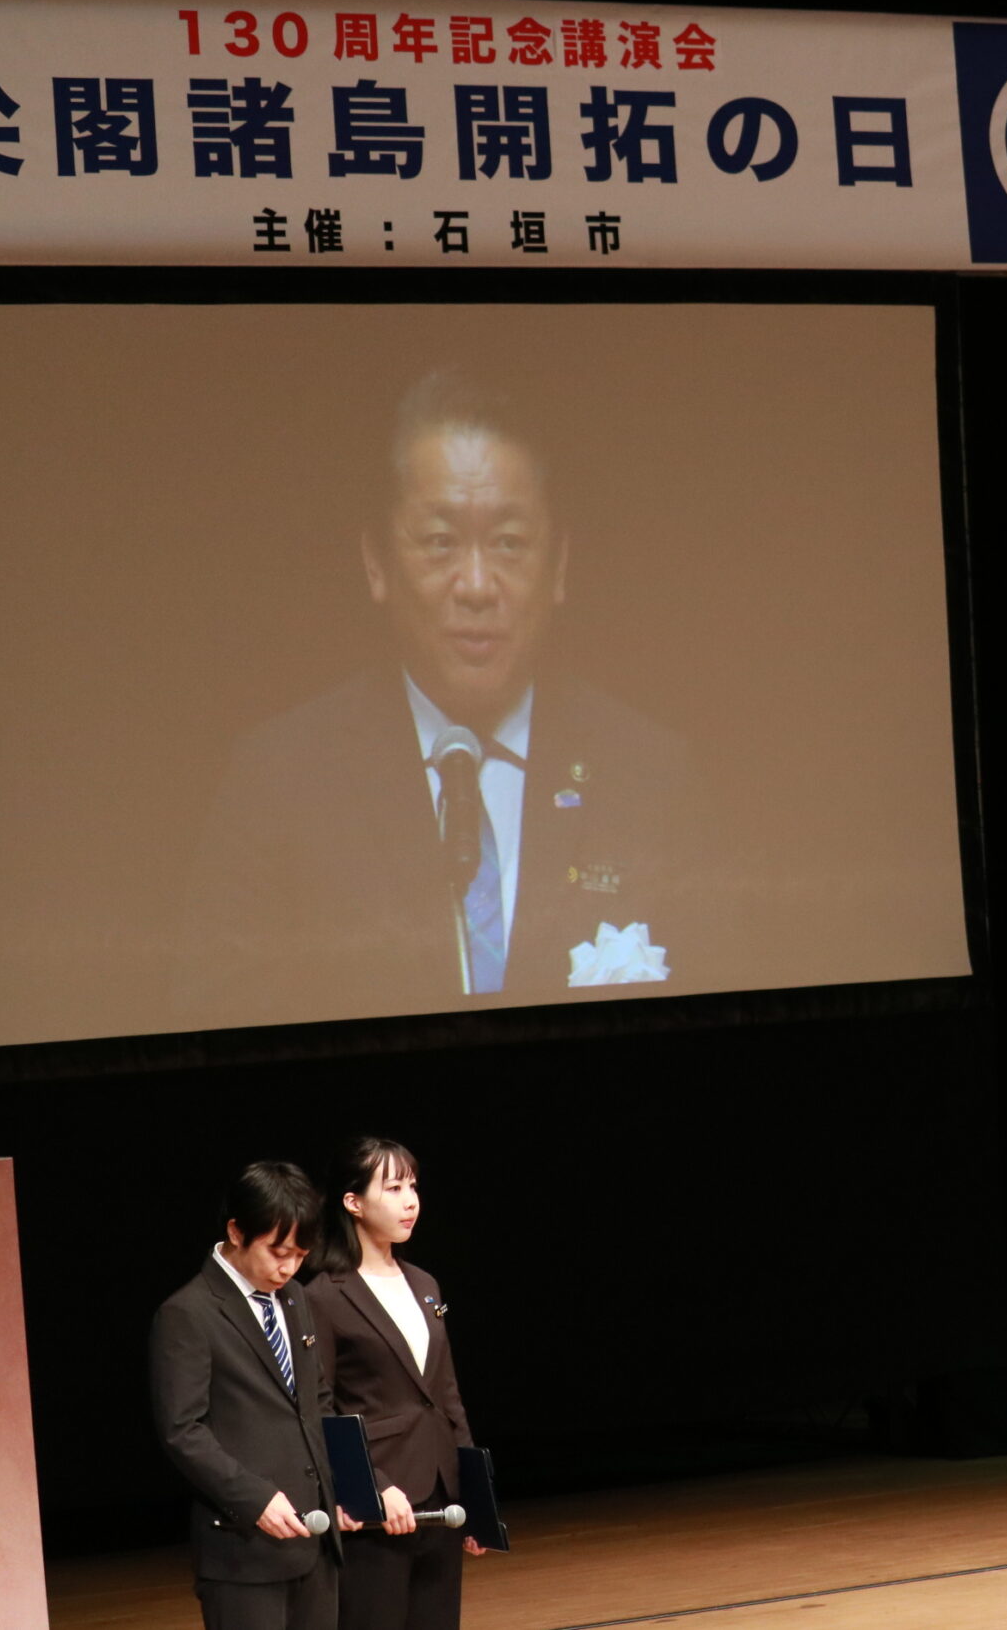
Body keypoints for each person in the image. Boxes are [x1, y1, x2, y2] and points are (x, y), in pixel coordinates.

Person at [172, 370, 696, 1030]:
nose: (476, 585)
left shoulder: (648, 774)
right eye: (441, 542)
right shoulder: (278, 779)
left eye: (509, 543)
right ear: (378, 564)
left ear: (558, 567)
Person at [150, 1160, 357, 1630]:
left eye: (300, 1256)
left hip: (316, 1545)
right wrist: (256, 1499)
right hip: (244, 1555)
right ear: (237, 1232)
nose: (288, 1268)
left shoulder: (294, 1298)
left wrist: (350, 1486)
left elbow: (318, 1405)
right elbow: (183, 1432)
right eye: (277, 1252)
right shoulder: (188, 1313)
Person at [302, 1137, 484, 1630]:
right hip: (377, 1503)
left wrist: (475, 1494)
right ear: (353, 1202)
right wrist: (371, 1488)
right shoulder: (323, 1293)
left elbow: (446, 1394)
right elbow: (320, 1407)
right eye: (394, 1187)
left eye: (413, 1186)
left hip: (440, 1490)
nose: (410, 1201)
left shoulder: (425, 1285)